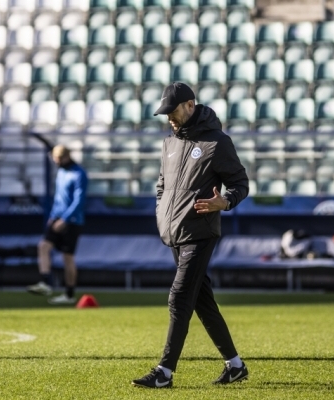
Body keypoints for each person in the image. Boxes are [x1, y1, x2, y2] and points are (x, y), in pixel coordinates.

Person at [132, 82, 250, 388]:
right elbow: (162, 186)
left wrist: (225, 202)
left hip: (201, 233)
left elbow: (240, 183)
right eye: (165, 113)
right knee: (202, 301)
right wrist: (162, 215)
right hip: (174, 233)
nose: (169, 117)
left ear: (189, 105)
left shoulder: (217, 142)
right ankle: (235, 365)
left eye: (173, 111)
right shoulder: (170, 143)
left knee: (179, 296)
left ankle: (164, 372)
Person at [26, 145, 88, 305]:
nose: (56, 162)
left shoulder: (79, 174)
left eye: (58, 159)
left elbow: (79, 201)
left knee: (68, 258)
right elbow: (59, 198)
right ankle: (46, 282)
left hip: (72, 221)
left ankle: (69, 294)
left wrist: (65, 219)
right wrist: (53, 216)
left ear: (66, 157)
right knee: (43, 246)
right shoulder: (61, 172)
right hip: (56, 217)